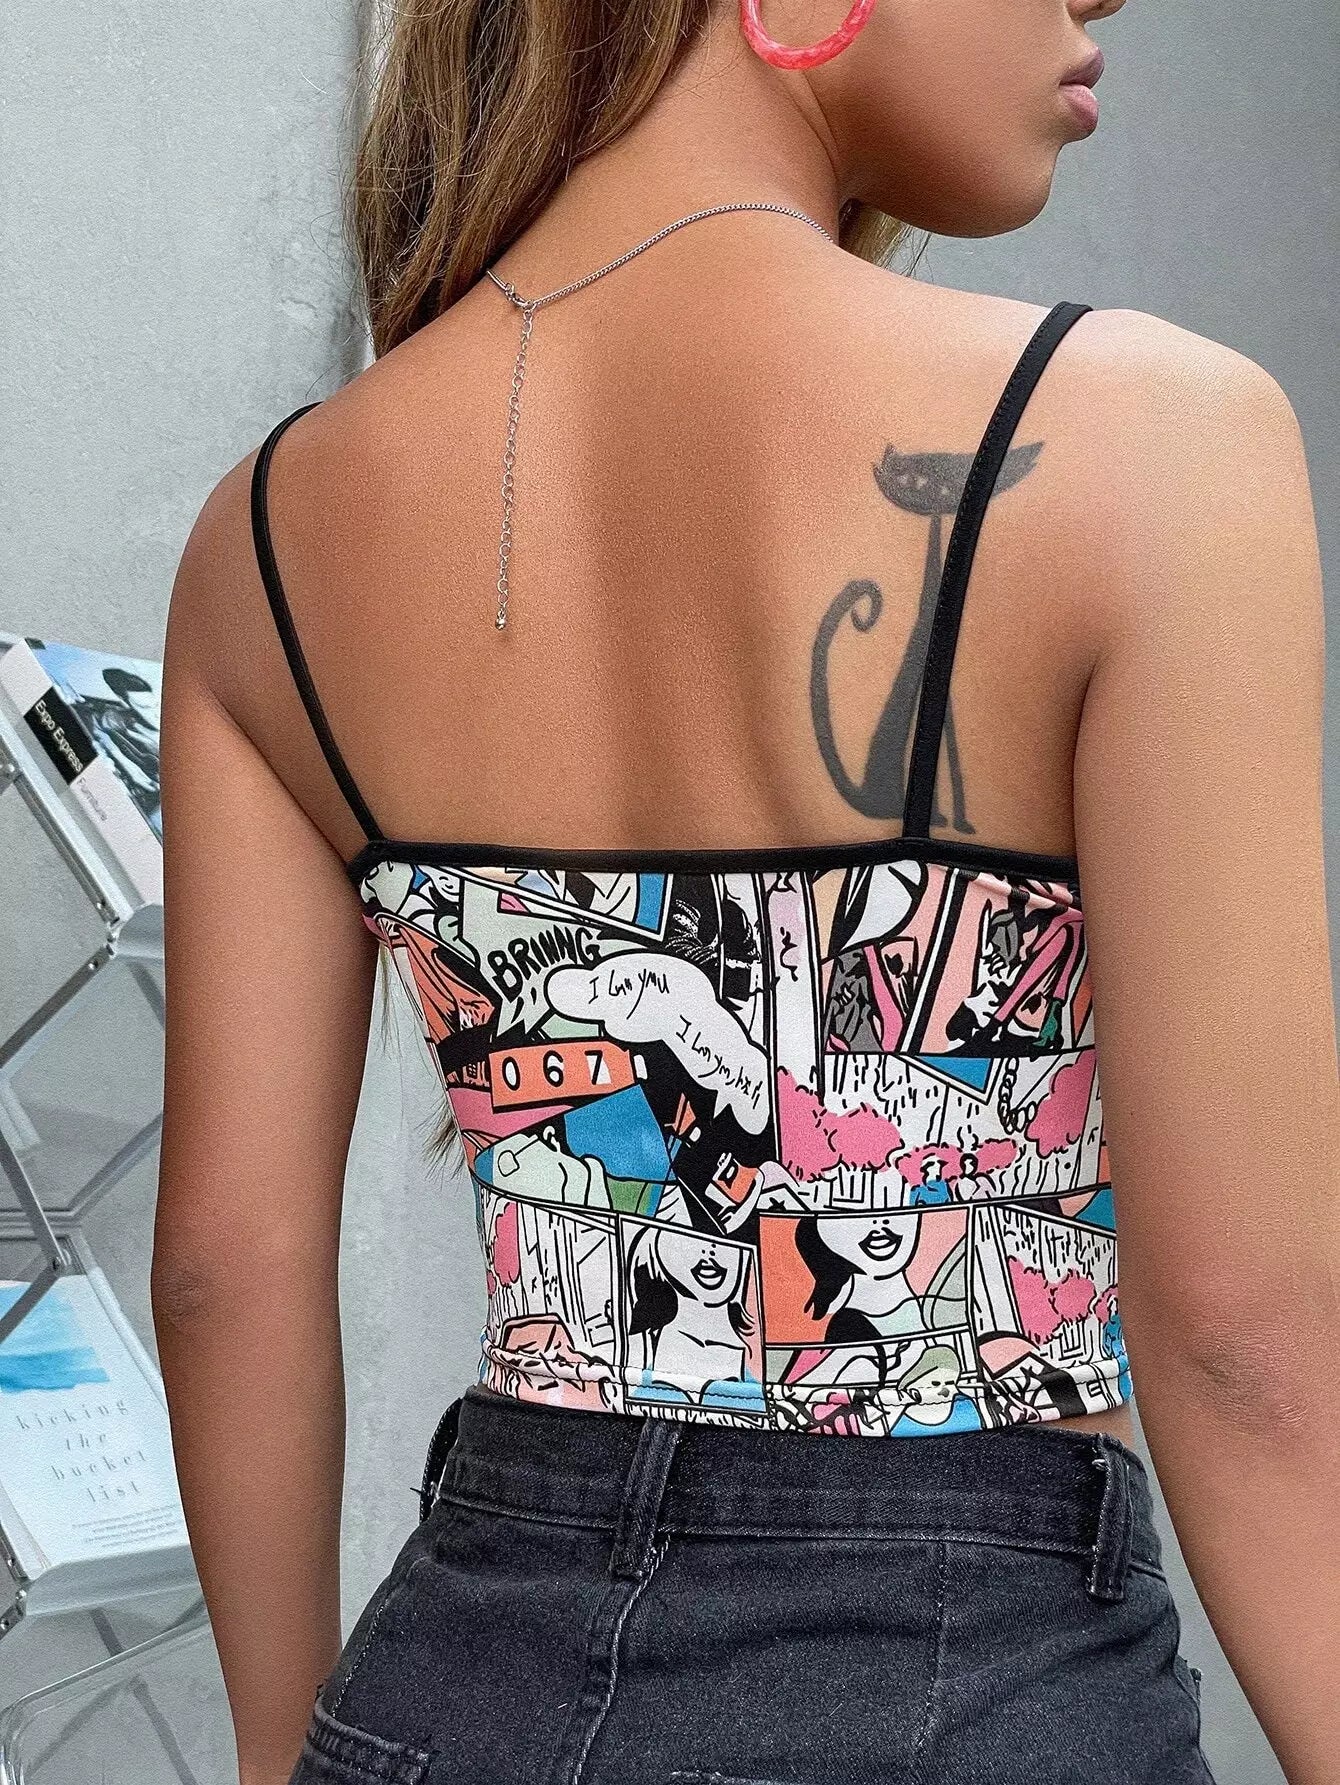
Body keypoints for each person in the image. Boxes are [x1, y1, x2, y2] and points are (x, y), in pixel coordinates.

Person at [150, 1, 1340, 1781]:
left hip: (449, 1684)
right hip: (972, 1683)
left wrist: (283, 1754)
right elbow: (1246, 1333)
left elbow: (224, 1272)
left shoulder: (267, 538)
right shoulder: (1151, 441)